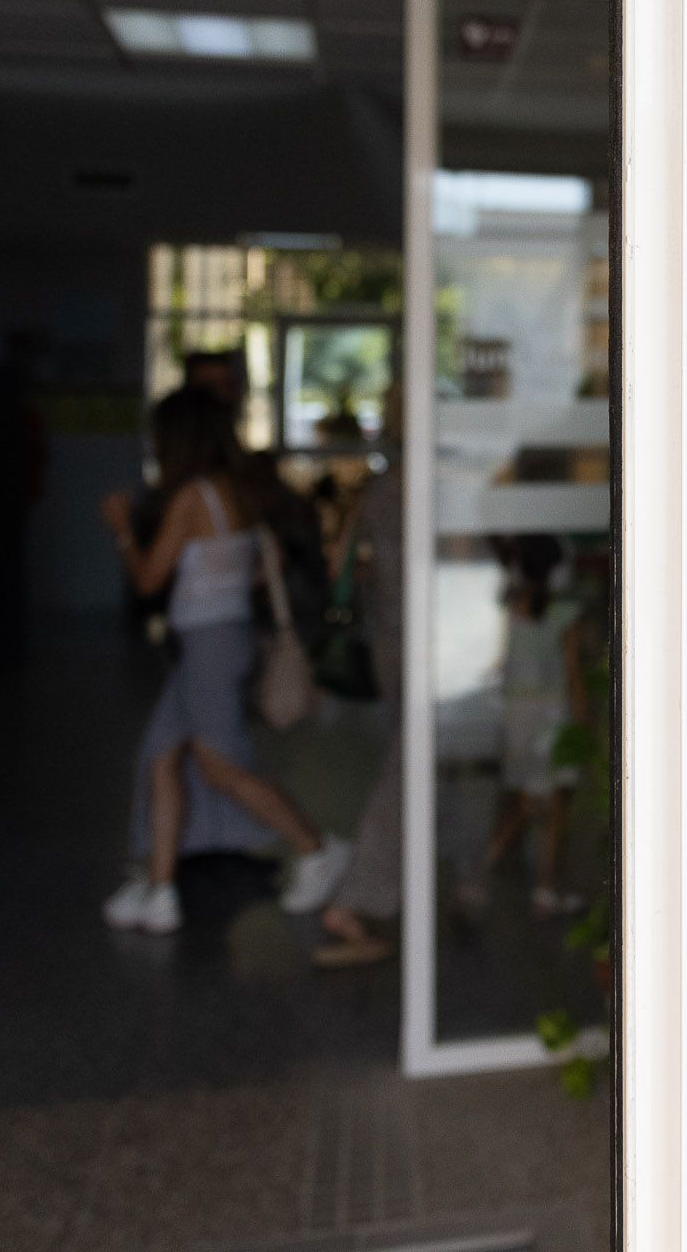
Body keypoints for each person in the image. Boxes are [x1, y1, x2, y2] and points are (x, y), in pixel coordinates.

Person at [97, 386, 352, 935]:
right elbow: (264, 562)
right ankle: (160, 889)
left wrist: (121, 529)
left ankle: (316, 848)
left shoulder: (192, 497)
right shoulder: (237, 490)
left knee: (218, 768)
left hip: (207, 645)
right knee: (163, 757)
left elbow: (148, 580)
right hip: (220, 639)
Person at [462, 533, 590, 917]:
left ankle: (475, 878)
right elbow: (573, 675)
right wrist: (584, 723)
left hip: (517, 717)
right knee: (555, 807)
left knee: (523, 802)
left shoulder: (512, 606)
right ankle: (546, 891)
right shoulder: (564, 614)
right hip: (552, 719)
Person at [317, 439, 407, 968]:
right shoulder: (426, 485)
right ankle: (355, 897)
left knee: (418, 761)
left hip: (388, 640)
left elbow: (340, 566)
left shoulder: (377, 490)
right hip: (426, 641)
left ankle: (471, 873)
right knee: (409, 767)